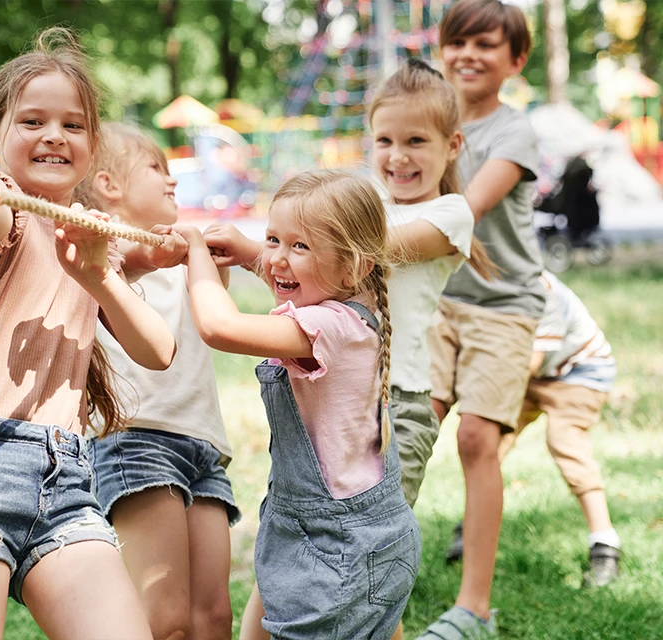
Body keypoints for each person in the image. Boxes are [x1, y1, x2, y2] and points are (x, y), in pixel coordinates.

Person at [0, 29, 176, 640]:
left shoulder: (86, 240)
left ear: (93, 145)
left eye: (73, 125)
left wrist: (99, 274)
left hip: (66, 484)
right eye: (33, 120)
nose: (54, 134)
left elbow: (158, 350)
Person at [180, 169, 422, 639]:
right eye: (274, 238)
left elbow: (220, 328)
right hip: (336, 531)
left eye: (300, 246)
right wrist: (253, 250)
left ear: (354, 266)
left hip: (339, 545)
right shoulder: (359, 298)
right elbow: (300, 271)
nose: (277, 259)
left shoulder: (327, 327)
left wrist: (196, 256)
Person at [77, 123, 240, 640]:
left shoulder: (184, 255)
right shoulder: (96, 255)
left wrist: (203, 254)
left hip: (203, 443)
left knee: (213, 617)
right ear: (109, 185)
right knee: (165, 620)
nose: (172, 181)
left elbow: (220, 317)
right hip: (137, 439)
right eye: (157, 169)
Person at [422, 0, 545, 637]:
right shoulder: (427, 121)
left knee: (476, 437)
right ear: (442, 50)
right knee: (410, 424)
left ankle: (475, 606)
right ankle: (373, 564)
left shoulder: (513, 132)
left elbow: (462, 212)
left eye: (486, 45)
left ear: (515, 60)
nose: (468, 55)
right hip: (436, 299)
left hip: (502, 305)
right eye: (458, 42)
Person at [449, 271, 621, 587]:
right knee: (488, 441)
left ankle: (605, 544)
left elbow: (529, 360)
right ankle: (473, 524)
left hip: (578, 371)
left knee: (566, 443)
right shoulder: (484, 285)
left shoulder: (541, 292)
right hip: (530, 374)